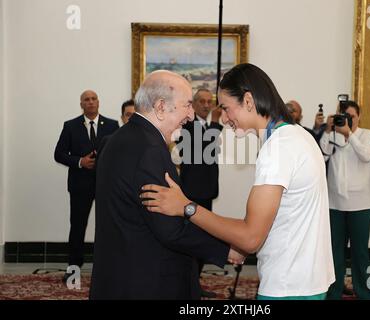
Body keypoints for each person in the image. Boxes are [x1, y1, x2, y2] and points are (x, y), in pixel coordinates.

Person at [141, 63, 335, 300]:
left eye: (225, 108)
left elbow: (250, 238)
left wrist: (186, 207)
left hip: (288, 285)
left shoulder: (278, 149)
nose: (223, 118)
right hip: (308, 280)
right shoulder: (298, 136)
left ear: (249, 101)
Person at [89, 70, 241, 300]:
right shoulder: (150, 150)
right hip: (148, 281)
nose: (191, 115)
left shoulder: (118, 139)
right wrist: (225, 248)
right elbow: (170, 229)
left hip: (118, 274)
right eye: (187, 105)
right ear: (161, 107)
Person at [54, 90, 119, 282]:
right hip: (79, 185)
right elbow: (58, 154)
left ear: (99, 102)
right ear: (81, 104)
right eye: (86, 100)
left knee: (108, 226)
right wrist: (80, 162)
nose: (90, 102)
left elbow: (117, 153)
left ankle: (108, 267)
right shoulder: (70, 126)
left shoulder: (112, 125)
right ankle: (73, 268)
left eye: (93, 99)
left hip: (105, 185)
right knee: (78, 227)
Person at [319, 100, 370, 300]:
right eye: (344, 117)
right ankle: (333, 293)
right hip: (334, 204)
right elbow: (322, 156)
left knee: (360, 254)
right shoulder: (332, 134)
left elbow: (366, 155)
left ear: (359, 116)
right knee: (335, 254)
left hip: (360, 205)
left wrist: (349, 134)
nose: (348, 120)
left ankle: (366, 294)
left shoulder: (367, 134)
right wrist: (328, 130)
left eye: (351, 116)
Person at [176, 88, 223, 298]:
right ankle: (189, 285)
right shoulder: (186, 124)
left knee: (204, 237)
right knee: (193, 239)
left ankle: (194, 283)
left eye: (209, 101)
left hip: (207, 190)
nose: (206, 105)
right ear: (193, 104)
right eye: (201, 101)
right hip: (192, 191)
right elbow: (201, 151)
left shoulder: (205, 125)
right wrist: (215, 123)